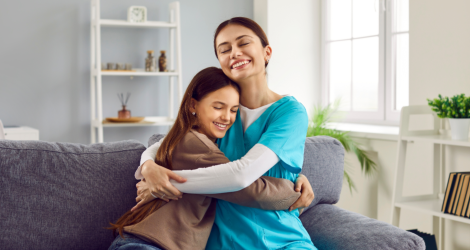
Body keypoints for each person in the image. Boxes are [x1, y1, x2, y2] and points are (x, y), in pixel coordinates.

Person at [135, 17, 317, 249]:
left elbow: (241, 175)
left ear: (267, 52)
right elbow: (168, 142)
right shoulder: (220, 115)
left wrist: (167, 183)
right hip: (223, 241)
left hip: (281, 239)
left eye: (243, 43)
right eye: (225, 49)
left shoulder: (289, 112)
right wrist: (148, 167)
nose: (234, 53)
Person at [108, 67, 306, 250]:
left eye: (234, 110)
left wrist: (148, 166)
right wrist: (296, 192)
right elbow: (249, 190)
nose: (227, 117)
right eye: (218, 107)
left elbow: (155, 148)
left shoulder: (192, 138)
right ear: (193, 105)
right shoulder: (194, 143)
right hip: (145, 243)